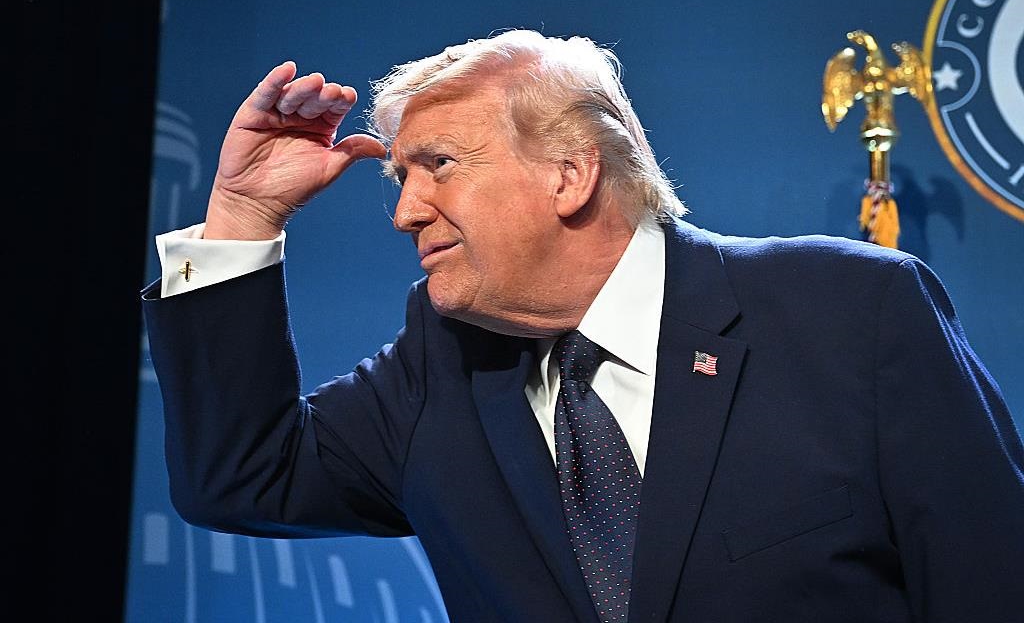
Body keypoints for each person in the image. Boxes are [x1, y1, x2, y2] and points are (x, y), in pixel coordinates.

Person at [142, 30, 1024, 622]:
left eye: (439, 165)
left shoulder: (851, 312)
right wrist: (243, 215)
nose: (405, 211)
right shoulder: (439, 365)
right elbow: (240, 479)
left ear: (569, 173)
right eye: (399, 178)